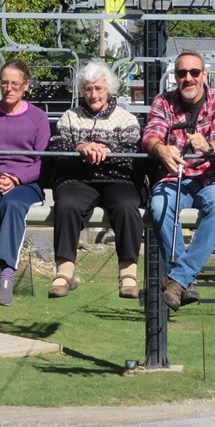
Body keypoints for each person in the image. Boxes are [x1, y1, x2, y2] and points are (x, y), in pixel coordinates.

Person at [142, 50, 215, 311]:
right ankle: (186, 281)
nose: (189, 78)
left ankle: (178, 278)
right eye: (182, 73)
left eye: (194, 72)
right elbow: (151, 134)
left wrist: (208, 146)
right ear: (175, 76)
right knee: (158, 207)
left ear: (204, 75)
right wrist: (161, 150)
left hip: (214, 177)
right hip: (175, 175)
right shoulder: (163, 101)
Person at [48, 59, 146, 299]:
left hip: (118, 180)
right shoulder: (70, 117)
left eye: (99, 88)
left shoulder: (126, 119)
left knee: (125, 206)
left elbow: (133, 156)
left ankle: (128, 274)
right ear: (82, 91)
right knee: (67, 204)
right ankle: (65, 272)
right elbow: (57, 149)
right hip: (78, 180)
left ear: (109, 89)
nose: (94, 94)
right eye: (88, 89)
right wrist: (81, 146)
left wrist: (104, 150)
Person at [0, 59, 51, 310]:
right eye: (5, 82)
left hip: (26, 182)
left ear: (26, 86)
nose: (9, 88)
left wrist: (17, 179)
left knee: (14, 205)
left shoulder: (38, 118)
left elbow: (42, 161)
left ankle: (6, 273)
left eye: (15, 84)